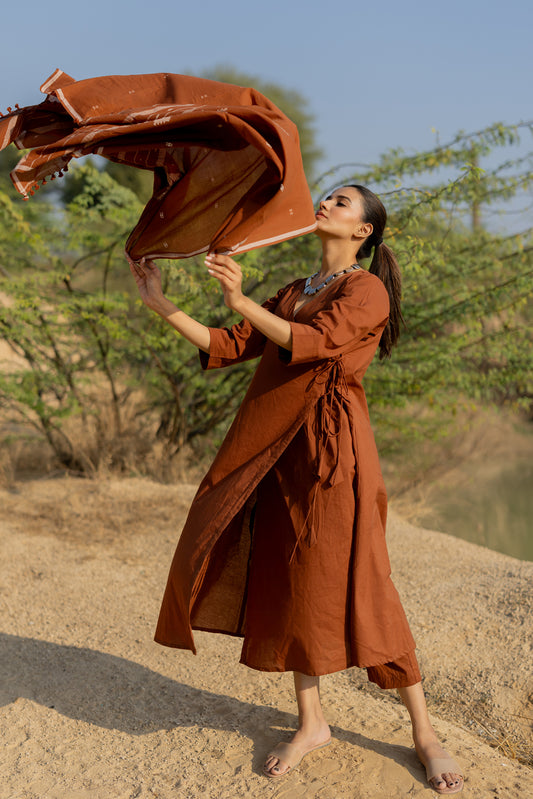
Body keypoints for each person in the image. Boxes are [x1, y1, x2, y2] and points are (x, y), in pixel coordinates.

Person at [128, 185, 464, 795]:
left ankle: (425, 734)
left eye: (341, 202)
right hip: (280, 449)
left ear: (363, 231)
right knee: (293, 577)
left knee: (367, 583)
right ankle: (312, 724)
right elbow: (231, 344)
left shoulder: (367, 290)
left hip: (336, 455)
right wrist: (159, 303)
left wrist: (236, 296)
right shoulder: (296, 289)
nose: (326, 204)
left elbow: (309, 343)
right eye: (327, 196)